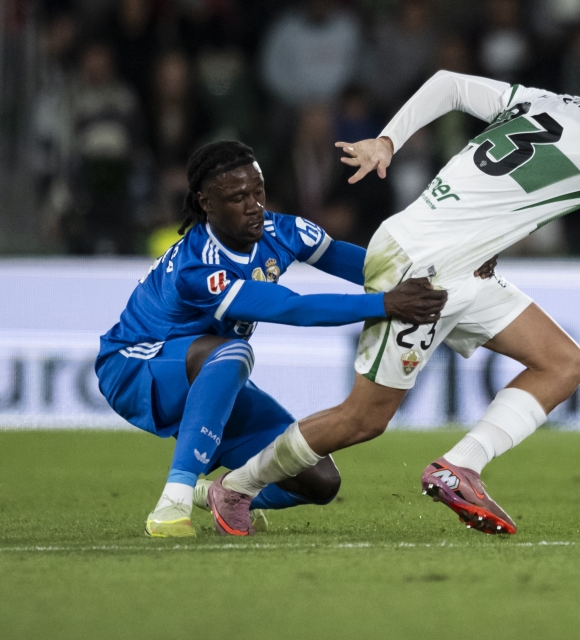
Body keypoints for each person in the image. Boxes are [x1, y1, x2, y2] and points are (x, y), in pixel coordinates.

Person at [208, 37, 580, 535]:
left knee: (562, 363)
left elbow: (448, 85)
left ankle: (460, 467)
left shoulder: (544, 102)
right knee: (364, 419)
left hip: (459, 266)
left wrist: (387, 141)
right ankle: (236, 487)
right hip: (423, 272)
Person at [95, 141, 449, 538]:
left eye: (258, 191)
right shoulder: (198, 267)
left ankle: (223, 492)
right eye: (238, 198)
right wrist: (384, 304)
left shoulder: (281, 231)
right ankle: (171, 504)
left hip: (212, 371)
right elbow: (291, 308)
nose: (254, 206)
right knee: (233, 352)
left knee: (318, 480)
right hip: (134, 366)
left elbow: (369, 266)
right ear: (206, 203)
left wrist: (441, 274)